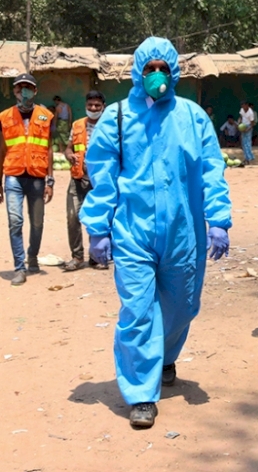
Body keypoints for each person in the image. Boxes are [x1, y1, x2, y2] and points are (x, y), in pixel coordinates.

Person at [79, 37, 232, 429]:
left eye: (165, 68)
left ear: (175, 71)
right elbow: (103, 176)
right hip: (133, 231)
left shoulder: (193, 117)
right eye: (151, 69)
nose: (158, 76)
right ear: (138, 72)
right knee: (139, 311)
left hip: (183, 232)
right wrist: (98, 227)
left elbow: (212, 170)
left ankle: (164, 356)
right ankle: (141, 394)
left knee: (183, 304)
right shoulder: (117, 117)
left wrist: (217, 219)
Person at [0, 73, 55, 286]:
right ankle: (19, 267)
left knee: (37, 222)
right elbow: (2, 149)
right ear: (13, 91)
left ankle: (33, 255)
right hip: (13, 175)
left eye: (28, 88)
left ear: (35, 91)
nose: (23, 91)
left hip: (37, 177)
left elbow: (49, 148)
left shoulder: (45, 115)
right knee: (15, 221)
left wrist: (50, 180)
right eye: (19, 88)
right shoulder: (4, 117)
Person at [63, 90, 108, 272]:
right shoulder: (77, 125)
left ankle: (96, 257)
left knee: (97, 218)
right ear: (85, 106)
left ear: (103, 107)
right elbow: (67, 148)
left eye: (97, 105)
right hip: (77, 178)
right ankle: (77, 256)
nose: (93, 108)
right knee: (73, 217)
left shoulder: (109, 126)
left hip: (100, 182)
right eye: (90, 105)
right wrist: (70, 156)